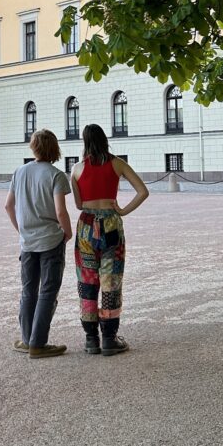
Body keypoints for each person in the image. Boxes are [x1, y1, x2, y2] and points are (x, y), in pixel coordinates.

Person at [70, 123, 149, 356]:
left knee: (87, 282)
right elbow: (142, 191)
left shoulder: (76, 169)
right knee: (111, 281)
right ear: (105, 139)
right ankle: (109, 339)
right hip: (111, 224)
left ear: (85, 142)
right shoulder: (117, 163)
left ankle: (91, 339)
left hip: (86, 225)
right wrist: (122, 210)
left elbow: (77, 204)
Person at [5, 128, 73, 359]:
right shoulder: (56, 175)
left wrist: (21, 229)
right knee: (48, 290)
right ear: (54, 149)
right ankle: (38, 343)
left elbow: (8, 206)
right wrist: (67, 232)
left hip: (27, 241)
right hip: (51, 240)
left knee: (28, 290)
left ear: (33, 147)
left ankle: (26, 340)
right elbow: (60, 211)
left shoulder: (19, 172)